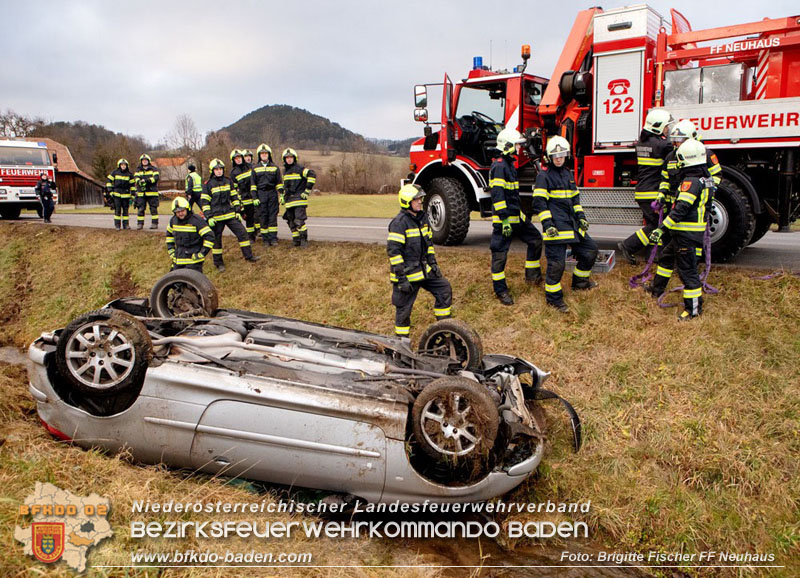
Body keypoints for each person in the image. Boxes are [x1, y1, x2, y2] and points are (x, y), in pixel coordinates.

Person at [533, 136, 598, 313]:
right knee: (557, 265)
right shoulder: (544, 176)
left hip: (572, 225)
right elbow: (539, 203)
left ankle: (580, 283)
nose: (559, 158)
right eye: (555, 155)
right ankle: (553, 299)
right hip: (555, 227)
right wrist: (547, 225)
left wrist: (582, 217)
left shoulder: (568, 175)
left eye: (561, 154)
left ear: (566, 155)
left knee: (590, 251)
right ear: (549, 156)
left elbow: (575, 200)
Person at [647, 139, 711, 320]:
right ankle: (656, 289)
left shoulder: (690, 182)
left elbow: (681, 209)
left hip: (686, 235)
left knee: (687, 272)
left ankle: (693, 310)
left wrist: (661, 229)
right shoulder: (706, 179)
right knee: (666, 258)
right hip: (689, 234)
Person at [387, 184, 453, 337]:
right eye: (416, 200)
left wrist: (433, 264)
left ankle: (443, 329)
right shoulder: (399, 223)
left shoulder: (423, 219)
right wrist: (402, 279)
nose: (420, 202)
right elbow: (394, 253)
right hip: (406, 276)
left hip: (424, 270)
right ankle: (402, 344)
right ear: (406, 202)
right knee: (403, 311)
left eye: (420, 199)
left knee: (444, 288)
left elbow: (428, 244)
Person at [488, 127, 543, 306]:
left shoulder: (509, 164)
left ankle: (532, 276)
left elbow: (512, 196)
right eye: (517, 146)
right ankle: (500, 290)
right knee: (500, 255)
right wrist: (504, 220)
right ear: (508, 146)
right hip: (504, 221)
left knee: (535, 240)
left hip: (516, 218)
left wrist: (521, 215)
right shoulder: (499, 166)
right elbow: (498, 195)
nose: (519, 149)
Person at [617, 108, 674, 264]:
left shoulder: (643, 142)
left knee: (655, 224)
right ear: (657, 126)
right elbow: (674, 151)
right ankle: (628, 245)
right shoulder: (661, 145)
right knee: (657, 225)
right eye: (666, 126)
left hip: (644, 190)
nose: (668, 130)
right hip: (652, 192)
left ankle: (653, 256)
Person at [201, 158, 260, 272]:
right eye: (216, 169)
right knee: (216, 240)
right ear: (212, 171)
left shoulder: (228, 181)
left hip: (229, 214)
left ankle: (249, 256)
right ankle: (218, 264)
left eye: (220, 169)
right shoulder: (208, 185)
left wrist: (238, 211)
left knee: (242, 233)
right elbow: (205, 202)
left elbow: (234, 197)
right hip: (216, 217)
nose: (219, 171)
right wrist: (209, 217)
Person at [166, 197, 215, 272]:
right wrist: (171, 252)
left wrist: (201, 254)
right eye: (177, 212)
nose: (180, 213)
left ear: (187, 209)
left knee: (192, 283)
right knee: (172, 282)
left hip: (194, 262)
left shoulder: (197, 221)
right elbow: (169, 237)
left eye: (182, 210)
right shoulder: (173, 221)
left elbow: (210, 237)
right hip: (178, 262)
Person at [280, 148, 315, 247]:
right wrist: (282, 196)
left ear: (294, 158)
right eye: (287, 158)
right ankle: (296, 241)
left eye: (291, 157)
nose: (289, 159)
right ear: (284, 159)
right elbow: (284, 186)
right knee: (291, 221)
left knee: (299, 221)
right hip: (289, 201)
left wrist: (307, 190)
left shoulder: (300, 168)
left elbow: (312, 174)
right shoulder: (285, 171)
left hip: (299, 200)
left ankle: (304, 240)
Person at [251, 143, 282, 246]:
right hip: (261, 194)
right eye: (262, 153)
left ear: (269, 154)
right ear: (259, 155)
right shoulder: (255, 168)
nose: (264, 155)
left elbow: (279, 183)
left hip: (272, 193)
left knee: (272, 216)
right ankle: (265, 240)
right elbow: (253, 185)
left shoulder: (275, 167)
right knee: (263, 217)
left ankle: (273, 239)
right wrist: (255, 197)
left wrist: (281, 195)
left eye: (266, 153)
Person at [230, 149, 257, 241]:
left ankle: (259, 232)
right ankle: (251, 237)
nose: (238, 160)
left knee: (258, 216)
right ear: (233, 160)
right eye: (236, 158)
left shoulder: (250, 167)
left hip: (255, 196)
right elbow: (234, 190)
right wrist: (239, 204)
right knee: (249, 219)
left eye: (239, 157)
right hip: (245, 199)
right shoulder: (233, 173)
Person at [106, 158, 135, 230]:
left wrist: (133, 195)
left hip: (126, 195)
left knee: (126, 211)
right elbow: (109, 181)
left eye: (124, 165)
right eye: (122, 165)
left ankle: (126, 225)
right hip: (117, 195)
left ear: (127, 166)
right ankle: (117, 225)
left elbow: (132, 185)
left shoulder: (130, 174)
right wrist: (110, 190)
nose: (123, 166)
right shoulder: (114, 172)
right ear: (119, 165)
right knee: (117, 210)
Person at [134, 153, 160, 229]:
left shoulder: (154, 169)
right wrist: (139, 181)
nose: (144, 161)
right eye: (143, 160)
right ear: (141, 161)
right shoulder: (138, 170)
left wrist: (146, 181)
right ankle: (140, 224)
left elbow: (156, 178)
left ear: (148, 161)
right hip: (142, 194)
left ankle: (154, 224)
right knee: (140, 209)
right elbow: (136, 177)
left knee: (153, 209)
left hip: (152, 193)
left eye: (146, 160)